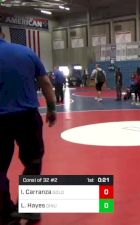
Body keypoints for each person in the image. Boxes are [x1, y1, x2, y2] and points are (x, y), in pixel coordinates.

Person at [0, 32, 56, 225]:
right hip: (27, 117)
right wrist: (51, 108)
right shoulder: (26, 52)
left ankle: (5, 213)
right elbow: (46, 83)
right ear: (3, 33)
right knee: (33, 161)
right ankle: (30, 209)